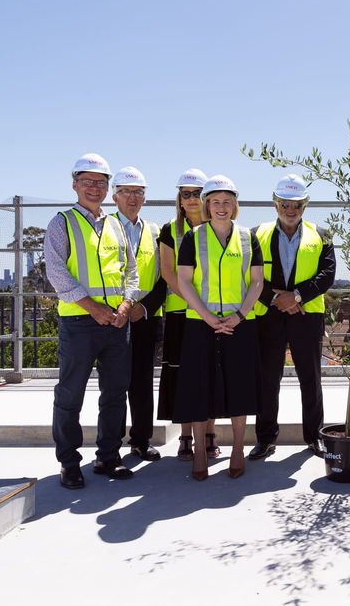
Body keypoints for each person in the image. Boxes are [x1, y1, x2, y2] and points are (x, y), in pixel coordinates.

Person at [45, 153, 139, 489]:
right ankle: (69, 463)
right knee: (70, 395)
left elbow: (131, 269)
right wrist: (92, 307)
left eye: (100, 182)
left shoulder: (115, 224)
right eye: (87, 181)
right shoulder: (62, 222)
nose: (94, 187)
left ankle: (108, 457)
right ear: (75, 184)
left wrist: (128, 303)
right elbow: (56, 272)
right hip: (80, 324)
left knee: (115, 394)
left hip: (117, 323)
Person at [173, 175, 263, 481]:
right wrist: (208, 317)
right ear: (206, 205)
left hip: (240, 324)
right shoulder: (193, 238)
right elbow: (184, 280)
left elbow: (257, 282)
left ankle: (237, 449)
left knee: (240, 385)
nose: (221, 207)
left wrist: (239, 315)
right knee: (199, 388)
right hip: (201, 323)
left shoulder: (249, 238)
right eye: (215, 201)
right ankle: (199, 451)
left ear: (235, 205)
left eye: (227, 201)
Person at [249, 174, 336, 460]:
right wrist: (276, 299)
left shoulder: (322, 234)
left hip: (306, 315)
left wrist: (296, 296)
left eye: (296, 204)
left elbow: (327, 275)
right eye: (285, 203)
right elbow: (248, 276)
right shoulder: (256, 234)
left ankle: (314, 436)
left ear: (305, 205)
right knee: (265, 379)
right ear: (276, 204)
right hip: (268, 316)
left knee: (310, 378)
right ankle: (264, 438)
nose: (290, 209)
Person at [156, 168, 217, 463]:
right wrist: (196, 304)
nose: (191, 199)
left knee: (211, 375)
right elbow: (168, 274)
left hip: (214, 314)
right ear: (179, 198)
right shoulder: (170, 231)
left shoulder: (220, 227)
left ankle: (208, 435)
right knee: (183, 377)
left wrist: (208, 308)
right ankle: (185, 438)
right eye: (186, 194)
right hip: (183, 313)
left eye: (197, 194)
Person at [111, 166, 166, 461]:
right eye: (126, 192)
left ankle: (141, 440)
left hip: (144, 317)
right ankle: (111, 444)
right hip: (111, 319)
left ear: (145, 198)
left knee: (142, 383)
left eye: (138, 192)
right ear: (115, 197)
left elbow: (163, 277)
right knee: (114, 385)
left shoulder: (154, 231)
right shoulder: (102, 228)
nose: (132, 198)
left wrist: (144, 307)